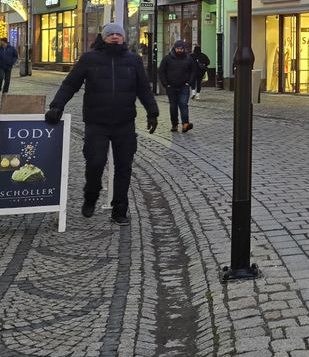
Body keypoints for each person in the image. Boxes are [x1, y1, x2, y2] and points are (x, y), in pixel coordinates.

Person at [45, 21, 157, 226]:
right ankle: (91, 194)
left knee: (124, 167)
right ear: (103, 37)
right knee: (95, 163)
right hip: (97, 122)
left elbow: (144, 88)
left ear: (123, 38)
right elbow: (70, 84)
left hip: (124, 123)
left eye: (118, 34)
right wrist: (57, 106)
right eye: (110, 34)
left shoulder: (133, 60)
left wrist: (153, 112)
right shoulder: (90, 59)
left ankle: (119, 209)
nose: (115, 36)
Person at [159, 40, 197, 132]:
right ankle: (174, 124)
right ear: (174, 48)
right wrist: (166, 84)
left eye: (181, 49)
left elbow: (193, 71)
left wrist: (189, 83)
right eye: (177, 48)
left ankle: (185, 124)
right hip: (171, 87)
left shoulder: (188, 59)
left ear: (184, 49)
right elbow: (161, 71)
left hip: (184, 86)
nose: (179, 50)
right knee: (173, 106)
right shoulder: (167, 59)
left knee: (183, 104)